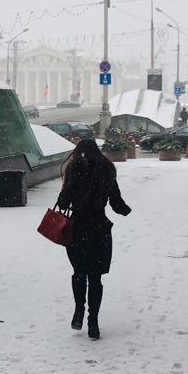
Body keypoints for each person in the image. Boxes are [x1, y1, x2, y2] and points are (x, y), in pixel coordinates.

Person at [56, 138, 132, 340]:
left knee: (79, 272)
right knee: (95, 278)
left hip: (78, 230)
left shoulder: (74, 170)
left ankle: (79, 310)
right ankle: (93, 322)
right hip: (99, 230)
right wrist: (125, 210)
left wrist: (69, 192)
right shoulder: (107, 170)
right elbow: (116, 203)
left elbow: (63, 202)